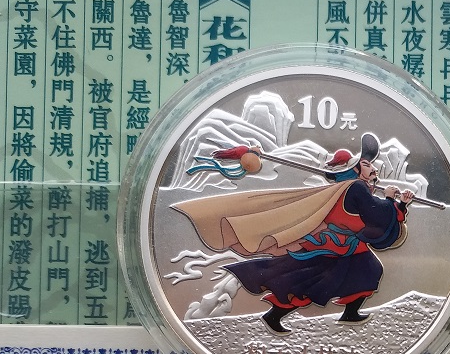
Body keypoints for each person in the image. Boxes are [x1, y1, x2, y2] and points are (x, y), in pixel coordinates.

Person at [174, 134, 415, 333]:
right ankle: (274, 316)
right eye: (367, 165)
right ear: (354, 169)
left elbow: (372, 215)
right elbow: (375, 215)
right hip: (337, 246)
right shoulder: (355, 188)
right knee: (309, 282)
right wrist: (392, 201)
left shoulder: (353, 188)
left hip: (347, 247)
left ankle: (348, 313)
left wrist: (398, 204)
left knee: (364, 272)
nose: (373, 168)